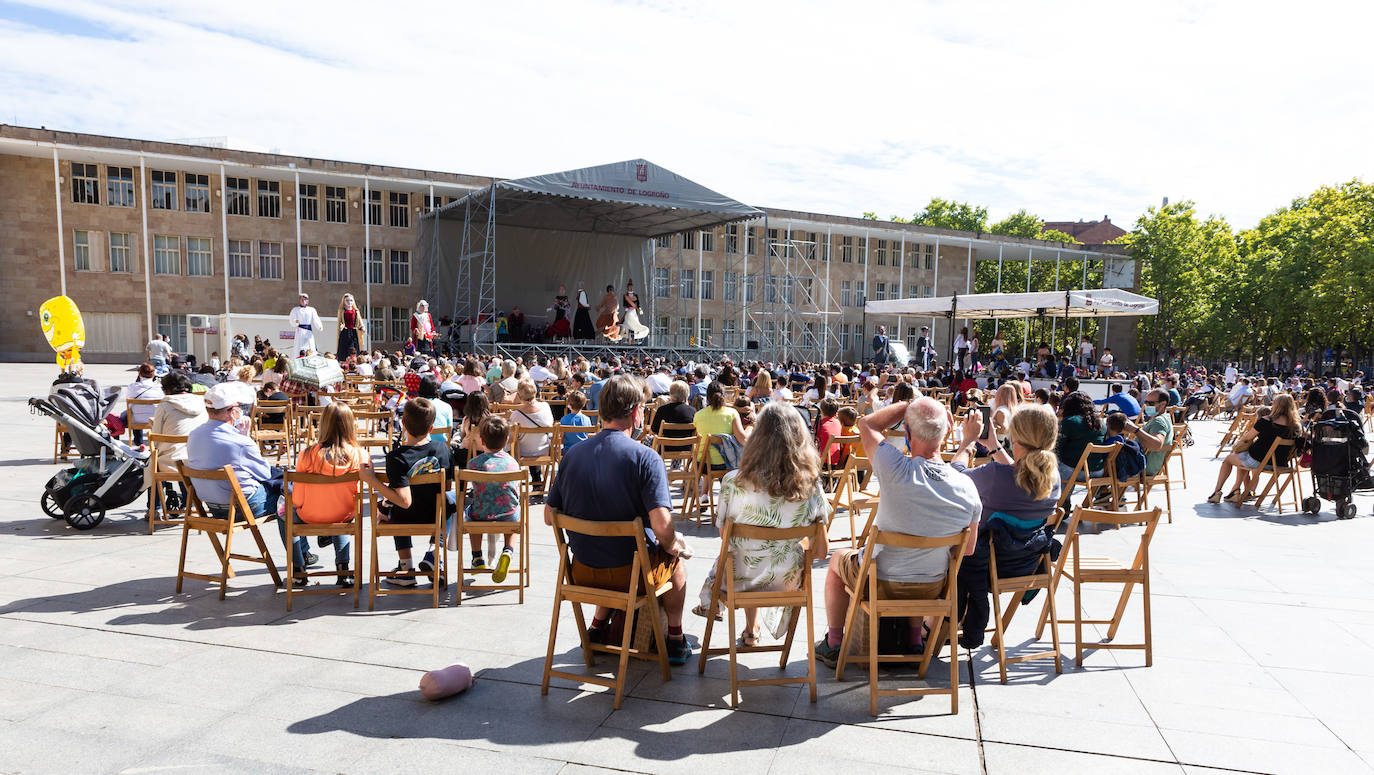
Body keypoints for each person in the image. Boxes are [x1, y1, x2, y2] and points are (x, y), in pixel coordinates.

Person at [815, 397, 981, 666]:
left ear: (907, 433)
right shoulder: (967, 488)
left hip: (879, 582)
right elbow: (968, 549)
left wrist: (909, 406)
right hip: (932, 586)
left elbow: (866, 423)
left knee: (837, 561)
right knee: (922, 559)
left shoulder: (894, 468)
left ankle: (834, 642)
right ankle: (915, 640)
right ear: (947, 429)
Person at [544, 374, 692, 665]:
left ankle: (598, 626)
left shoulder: (572, 456)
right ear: (637, 411)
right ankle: (675, 638)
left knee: (610, 546)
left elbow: (550, 517)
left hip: (582, 572)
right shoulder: (645, 458)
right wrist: (675, 544)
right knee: (675, 559)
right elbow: (662, 526)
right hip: (631, 577)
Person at [696, 402, 830, 644]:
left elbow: (725, 536)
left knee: (743, 553)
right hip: (787, 583)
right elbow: (821, 551)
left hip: (739, 578)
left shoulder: (732, 483)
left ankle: (743, 624)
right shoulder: (812, 486)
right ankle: (752, 629)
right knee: (765, 553)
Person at [950, 404, 1062, 649]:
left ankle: (929, 625)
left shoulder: (994, 475)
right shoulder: (1052, 480)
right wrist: (993, 446)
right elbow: (1020, 472)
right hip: (1024, 566)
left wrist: (967, 442)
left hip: (983, 569)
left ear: (1015, 436)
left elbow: (953, 477)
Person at [186, 382, 309, 574]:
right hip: (241, 506)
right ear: (230, 411)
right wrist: (246, 438)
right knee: (288, 498)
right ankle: (300, 561)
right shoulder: (240, 442)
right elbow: (264, 473)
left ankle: (303, 555)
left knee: (286, 489)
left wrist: (242, 436)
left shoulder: (194, 435)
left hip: (212, 507)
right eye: (237, 408)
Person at [359, 398, 454, 585]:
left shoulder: (396, 457)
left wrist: (372, 481)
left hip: (405, 516)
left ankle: (406, 567)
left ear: (403, 424)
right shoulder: (443, 449)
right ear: (431, 429)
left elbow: (404, 501)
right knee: (449, 500)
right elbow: (448, 486)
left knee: (392, 502)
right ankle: (434, 552)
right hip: (435, 516)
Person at [289, 402, 365, 587]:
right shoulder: (359, 454)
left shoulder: (306, 454)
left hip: (309, 515)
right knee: (341, 515)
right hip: (344, 514)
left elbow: (297, 498)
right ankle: (344, 569)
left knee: (284, 514)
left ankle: (298, 569)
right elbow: (358, 493)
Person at [1208, 393, 1299, 504]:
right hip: (1279, 464)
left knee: (1228, 459)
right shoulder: (1295, 426)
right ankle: (1236, 491)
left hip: (1258, 461)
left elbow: (1248, 438)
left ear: (1277, 406)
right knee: (1241, 459)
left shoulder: (1267, 420)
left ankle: (1217, 492)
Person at [464, 415, 523, 582]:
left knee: (471, 512)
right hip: (507, 514)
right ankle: (507, 551)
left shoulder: (473, 464)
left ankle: (477, 558)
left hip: (481, 514)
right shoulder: (513, 463)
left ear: (482, 441)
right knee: (513, 509)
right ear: (506, 440)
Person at [146, 370, 207, 510]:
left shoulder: (165, 405)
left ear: (167, 389)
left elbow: (155, 438)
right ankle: (190, 504)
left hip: (171, 461)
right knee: (183, 459)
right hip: (198, 459)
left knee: (152, 463)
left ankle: (154, 509)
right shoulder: (201, 402)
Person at [694, 381, 748, 471]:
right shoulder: (732, 413)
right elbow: (743, 440)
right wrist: (750, 428)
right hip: (726, 463)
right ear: (724, 396)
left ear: (707, 398)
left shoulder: (698, 415)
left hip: (702, 464)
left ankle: (707, 485)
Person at [511, 378, 554, 488]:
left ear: (519, 395)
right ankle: (537, 483)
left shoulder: (516, 415)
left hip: (523, 453)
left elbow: (512, 438)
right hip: (544, 450)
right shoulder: (546, 407)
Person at [1056, 391, 1106, 481]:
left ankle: (1060, 495)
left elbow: (1057, 446)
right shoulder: (1101, 423)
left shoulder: (1069, 421)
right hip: (1097, 471)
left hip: (1073, 470)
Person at [650, 381, 696, 451]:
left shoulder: (662, 410)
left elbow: (653, 431)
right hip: (686, 447)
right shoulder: (692, 411)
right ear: (687, 394)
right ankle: (676, 462)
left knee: (647, 439)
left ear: (671, 394)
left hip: (664, 448)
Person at [125, 363, 164, 445]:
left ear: (139, 374)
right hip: (155, 419)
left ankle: (139, 443)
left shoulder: (132, 387)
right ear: (153, 374)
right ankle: (156, 442)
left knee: (133, 412)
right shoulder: (160, 388)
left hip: (136, 420)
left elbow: (129, 405)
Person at [336, 293, 366, 359]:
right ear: (344, 301)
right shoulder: (341, 311)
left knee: (353, 349)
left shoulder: (356, 311)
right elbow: (340, 322)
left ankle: (354, 361)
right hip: (345, 332)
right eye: (347, 300)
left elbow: (360, 322)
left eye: (351, 300)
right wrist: (341, 326)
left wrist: (362, 327)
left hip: (354, 332)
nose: (349, 302)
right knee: (343, 350)